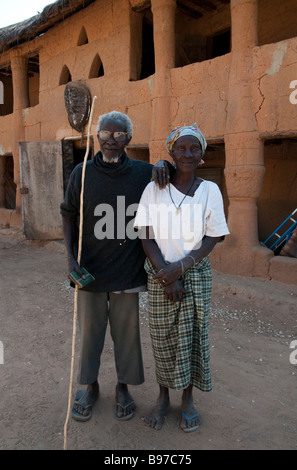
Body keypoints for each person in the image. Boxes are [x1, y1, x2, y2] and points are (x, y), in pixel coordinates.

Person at [60, 110, 171, 422]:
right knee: (89, 334)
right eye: (105, 135)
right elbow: (67, 214)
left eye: (119, 135)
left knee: (127, 334)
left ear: (129, 139)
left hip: (127, 270)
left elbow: (176, 176)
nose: (111, 141)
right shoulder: (80, 174)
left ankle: (123, 387)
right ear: (97, 137)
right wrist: (70, 259)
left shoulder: (143, 172)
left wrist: (165, 164)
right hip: (89, 272)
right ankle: (90, 386)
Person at [134, 124, 229, 432]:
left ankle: (187, 398)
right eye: (182, 149)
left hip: (196, 274)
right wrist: (167, 275)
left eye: (195, 149)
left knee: (194, 338)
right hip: (161, 275)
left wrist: (182, 267)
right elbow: (146, 233)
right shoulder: (154, 189)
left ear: (202, 155)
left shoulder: (209, 190)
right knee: (162, 339)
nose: (188, 153)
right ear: (171, 152)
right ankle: (163, 397)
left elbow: (212, 237)